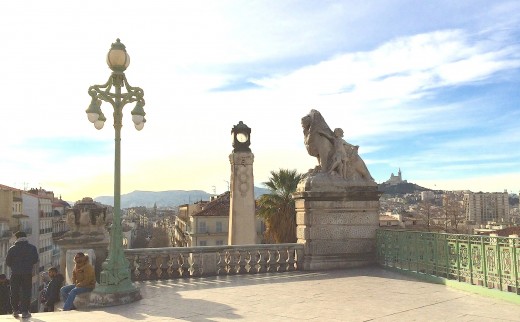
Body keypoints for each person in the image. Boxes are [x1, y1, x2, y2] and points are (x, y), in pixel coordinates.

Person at [5, 231, 39, 319]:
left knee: (14, 291)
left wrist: (15, 266)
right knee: (26, 292)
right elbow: (35, 259)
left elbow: (8, 262)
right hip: (27, 273)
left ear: (17, 238)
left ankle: (15, 310)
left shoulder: (12, 248)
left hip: (15, 273)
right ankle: (25, 311)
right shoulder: (32, 248)